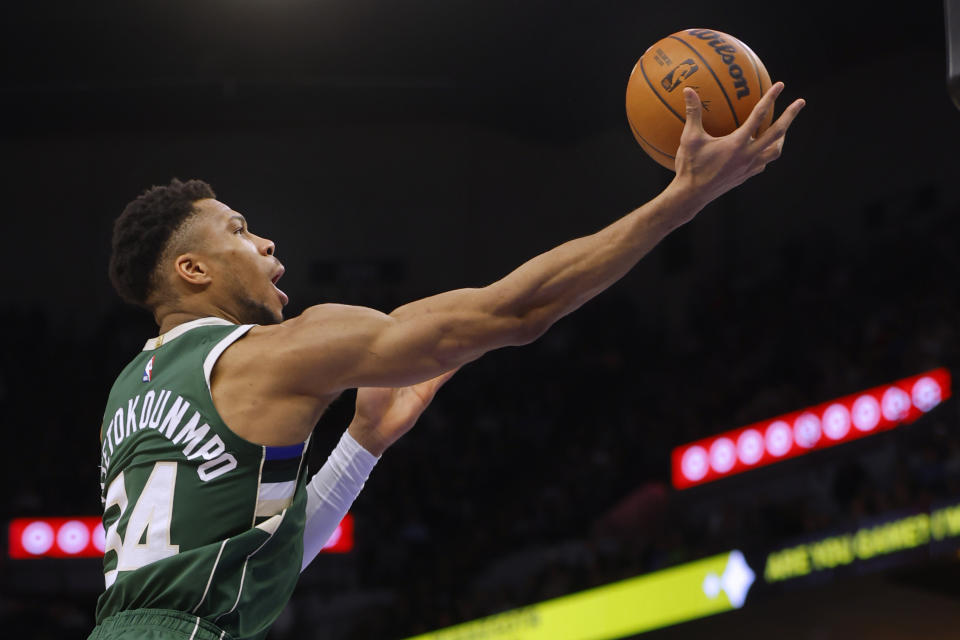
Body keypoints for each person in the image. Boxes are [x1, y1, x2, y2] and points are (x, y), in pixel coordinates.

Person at [90, 85, 805, 640]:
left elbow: (254, 560)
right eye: (240, 232)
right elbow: (513, 313)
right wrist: (684, 197)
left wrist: (362, 447)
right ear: (191, 269)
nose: (267, 243)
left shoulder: (127, 394)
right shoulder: (276, 354)